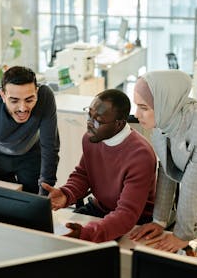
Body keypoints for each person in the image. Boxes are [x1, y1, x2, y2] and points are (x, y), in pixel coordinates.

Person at [42, 89, 157, 243]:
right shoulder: (91, 138)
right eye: (89, 114)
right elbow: (84, 174)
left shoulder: (140, 155)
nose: (89, 122)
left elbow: (126, 214)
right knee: (54, 237)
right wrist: (66, 193)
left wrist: (88, 234)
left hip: (136, 220)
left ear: (119, 124)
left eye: (98, 120)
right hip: (100, 209)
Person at [130, 69, 197, 253]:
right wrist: (159, 220)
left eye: (144, 108)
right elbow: (167, 171)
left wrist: (182, 235)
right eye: (137, 106)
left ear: (163, 103)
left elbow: (192, 186)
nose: (136, 114)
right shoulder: (163, 122)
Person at [0, 66, 60, 195]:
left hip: (30, 155)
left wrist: (44, 194)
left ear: (37, 92)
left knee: (32, 201)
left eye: (29, 100)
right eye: (14, 101)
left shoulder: (45, 96)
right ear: (3, 95)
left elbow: (50, 146)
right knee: (3, 202)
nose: (22, 108)